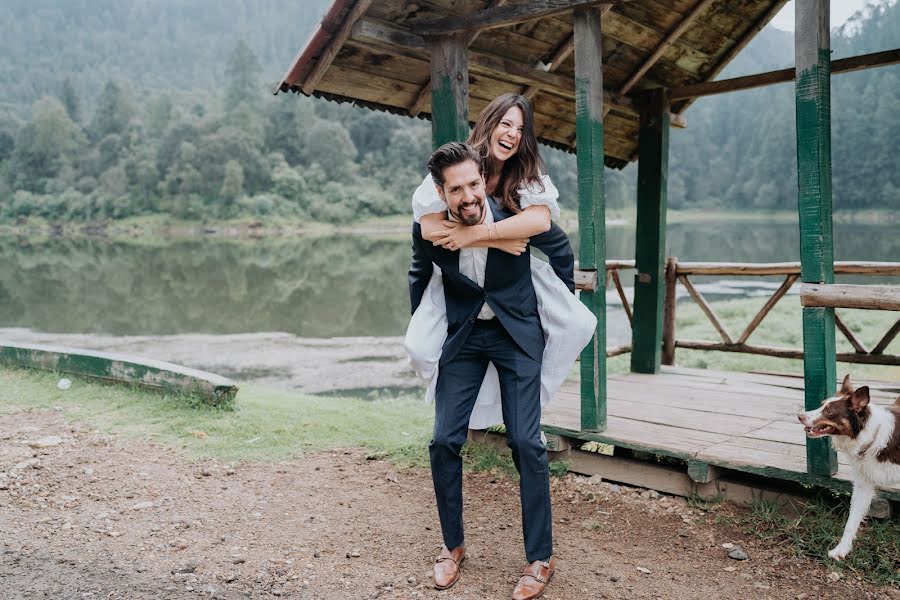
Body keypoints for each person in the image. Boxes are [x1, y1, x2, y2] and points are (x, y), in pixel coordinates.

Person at [409, 141, 576, 599]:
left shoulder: (515, 219)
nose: (468, 196)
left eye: (473, 184)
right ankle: (451, 545)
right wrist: (421, 326)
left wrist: (557, 306)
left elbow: (560, 250)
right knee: (444, 439)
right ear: (442, 194)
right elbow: (418, 274)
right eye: (456, 189)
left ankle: (540, 557)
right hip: (463, 339)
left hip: (517, 338)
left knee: (526, 440)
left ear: (483, 181)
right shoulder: (430, 230)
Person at [405, 93, 595, 429]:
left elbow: (542, 226)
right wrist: (498, 237)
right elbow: (427, 225)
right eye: (506, 123)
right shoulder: (458, 166)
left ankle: (526, 400)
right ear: (489, 123)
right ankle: (455, 406)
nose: (512, 134)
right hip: (463, 281)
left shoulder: (524, 177)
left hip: (511, 278)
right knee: (421, 347)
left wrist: (476, 235)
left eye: (521, 130)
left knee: (577, 324)